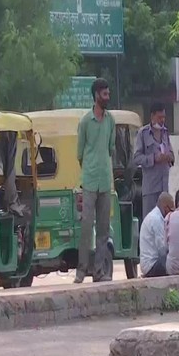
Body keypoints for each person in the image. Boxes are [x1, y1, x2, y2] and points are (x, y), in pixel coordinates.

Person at [74, 78, 116, 284]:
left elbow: (111, 149)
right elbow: (80, 153)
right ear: (96, 96)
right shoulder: (85, 122)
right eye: (105, 94)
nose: (108, 97)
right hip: (89, 181)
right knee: (86, 227)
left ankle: (98, 271)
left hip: (105, 181)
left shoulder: (110, 120)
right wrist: (89, 170)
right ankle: (81, 270)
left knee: (103, 228)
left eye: (108, 94)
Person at [133, 102, 175, 219]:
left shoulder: (165, 132)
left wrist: (169, 157)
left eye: (164, 117)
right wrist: (153, 158)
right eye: (159, 117)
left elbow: (172, 154)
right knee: (150, 220)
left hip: (164, 188)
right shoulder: (143, 133)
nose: (162, 120)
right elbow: (137, 158)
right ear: (152, 116)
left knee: (164, 220)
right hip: (150, 188)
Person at [139, 192, 175, 277]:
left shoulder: (154, 216)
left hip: (149, 264)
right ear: (165, 207)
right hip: (152, 265)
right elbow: (162, 249)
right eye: (171, 210)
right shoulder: (156, 220)